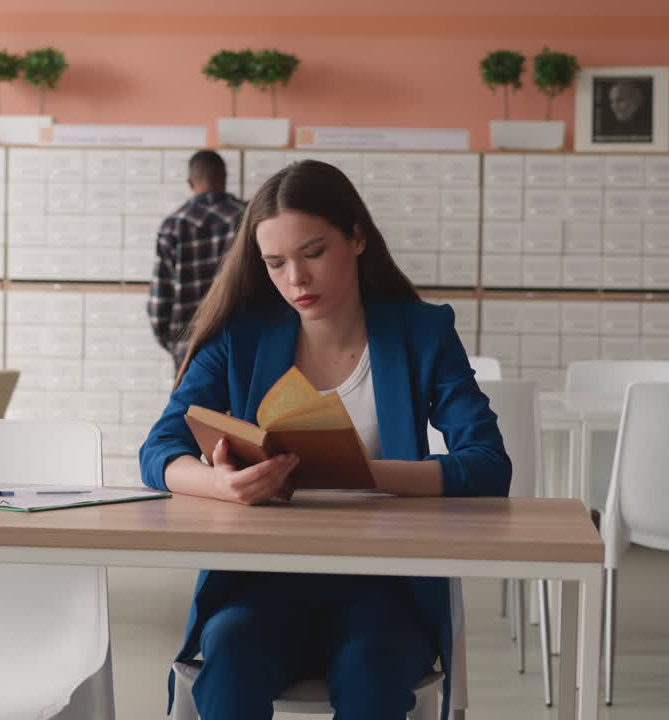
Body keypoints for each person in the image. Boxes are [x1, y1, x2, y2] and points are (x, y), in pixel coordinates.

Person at [138, 160, 511, 719]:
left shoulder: (421, 332)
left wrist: (359, 473)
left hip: (384, 585)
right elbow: (158, 451)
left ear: (357, 237)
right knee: (231, 660)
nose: (296, 280)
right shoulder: (240, 337)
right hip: (262, 581)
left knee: (371, 675)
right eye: (275, 263)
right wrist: (222, 485)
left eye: (313, 253)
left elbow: (487, 466)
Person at [147, 150, 246, 364]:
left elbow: (160, 297)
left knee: (191, 399)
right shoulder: (248, 218)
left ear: (190, 182)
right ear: (225, 178)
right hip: (241, 343)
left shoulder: (172, 225)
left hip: (189, 346)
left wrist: (174, 343)